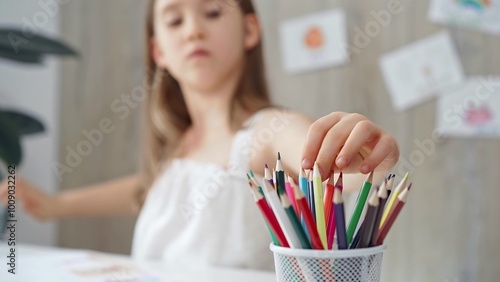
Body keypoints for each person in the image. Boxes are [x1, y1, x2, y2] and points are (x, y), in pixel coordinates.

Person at [0, 0, 399, 271]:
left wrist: (368, 164)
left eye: (211, 11)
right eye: (175, 19)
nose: (193, 30)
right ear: (160, 53)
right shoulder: (178, 144)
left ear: (249, 30)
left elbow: (342, 176)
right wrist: (55, 206)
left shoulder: (268, 131)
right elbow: (149, 188)